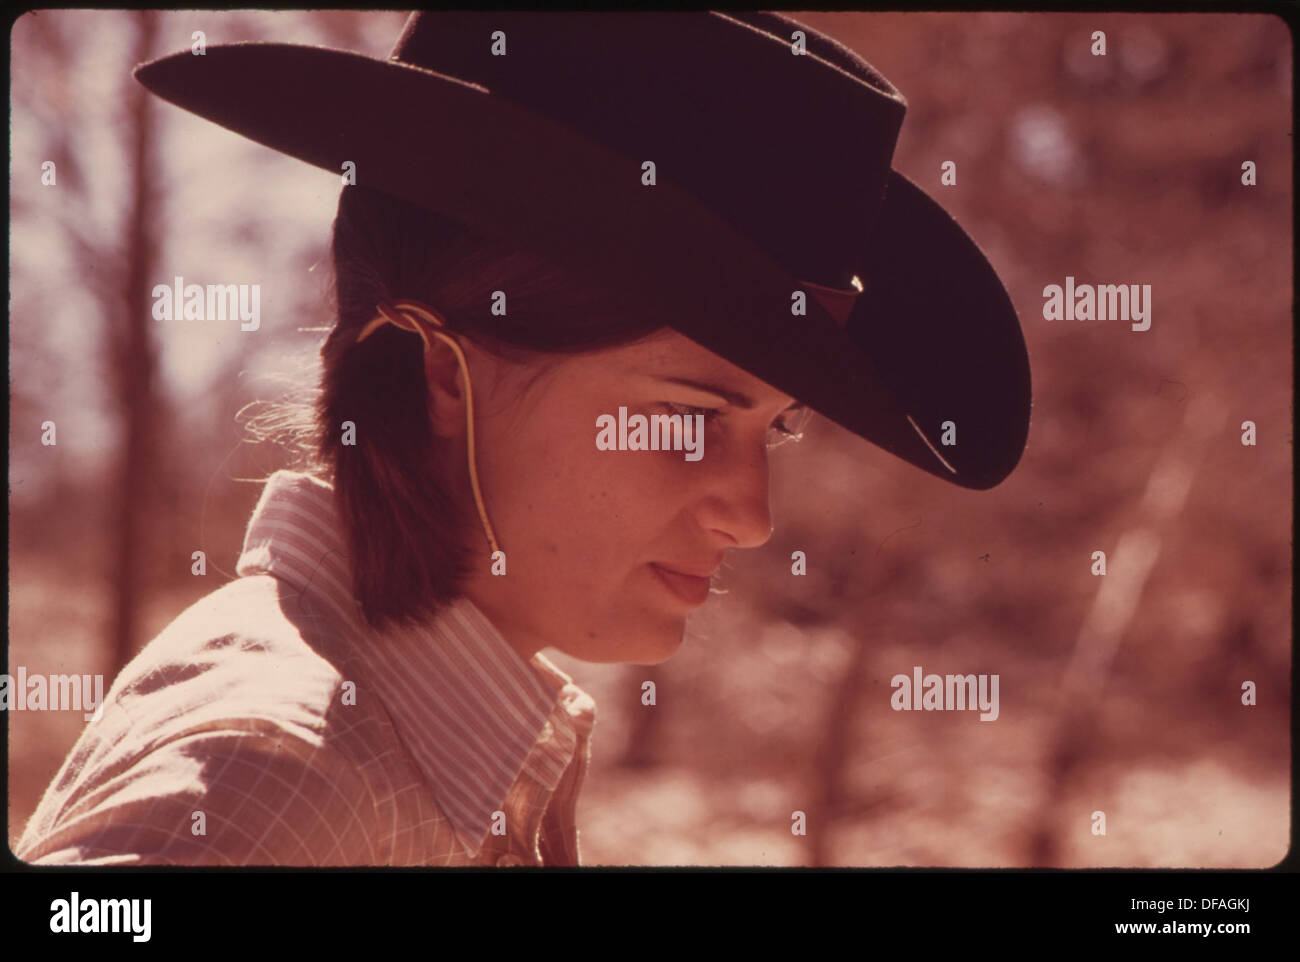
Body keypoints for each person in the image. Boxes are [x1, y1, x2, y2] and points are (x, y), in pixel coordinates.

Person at [16, 10, 1031, 867]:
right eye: (687, 416)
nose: (753, 515)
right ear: (434, 369)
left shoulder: (431, 753)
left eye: (778, 427)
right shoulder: (269, 784)